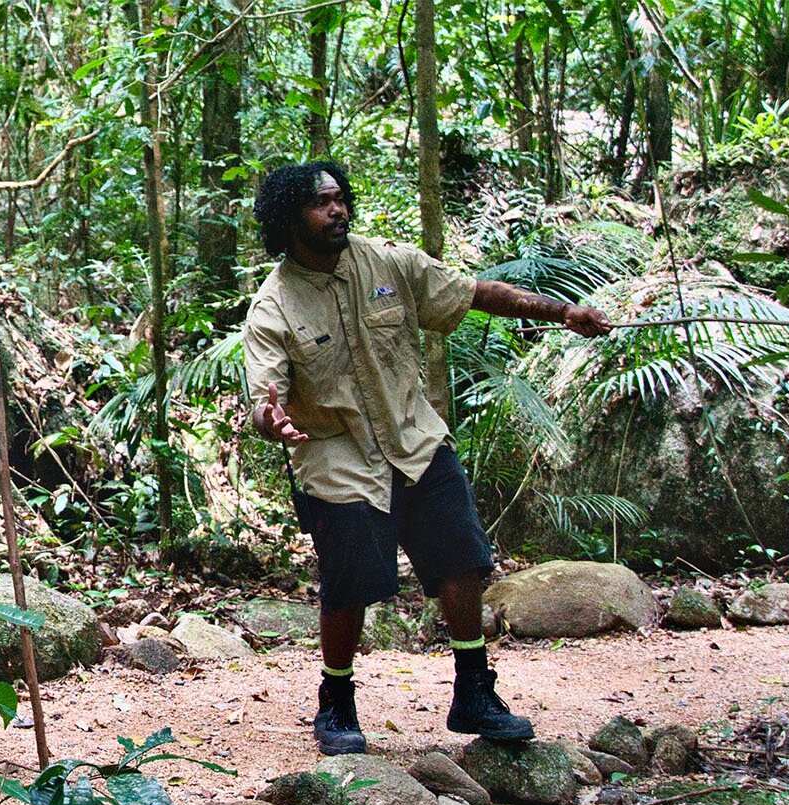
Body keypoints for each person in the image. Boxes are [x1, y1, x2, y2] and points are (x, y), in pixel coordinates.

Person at [244, 161, 612, 756]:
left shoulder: (389, 263)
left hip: (414, 438)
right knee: (348, 584)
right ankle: (336, 701)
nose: (337, 210)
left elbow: (474, 293)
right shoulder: (274, 307)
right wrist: (272, 420)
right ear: (289, 219)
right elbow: (264, 399)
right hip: (339, 456)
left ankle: (474, 691)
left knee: (462, 559)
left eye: (340, 199)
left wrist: (562, 312)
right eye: (321, 204)